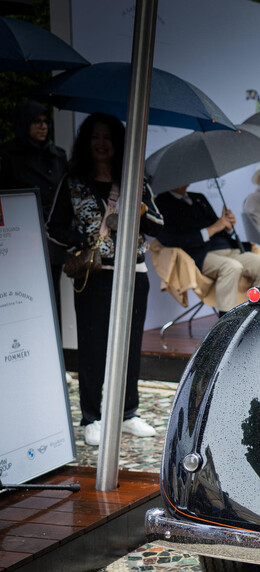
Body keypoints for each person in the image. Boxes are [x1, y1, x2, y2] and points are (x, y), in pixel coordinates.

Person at [46, 113, 163, 446]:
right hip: (94, 276)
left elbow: (157, 224)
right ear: (87, 141)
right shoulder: (73, 180)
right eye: (95, 137)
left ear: (118, 144)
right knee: (93, 347)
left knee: (129, 346)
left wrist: (134, 209)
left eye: (107, 138)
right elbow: (53, 227)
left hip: (133, 273)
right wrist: (84, 240)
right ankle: (91, 417)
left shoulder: (135, 180)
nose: (101, 144)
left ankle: (129, 413)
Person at [155, 186, 260, 315]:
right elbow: (169, 239)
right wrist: (214, 227)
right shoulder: (162, 202)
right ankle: (227, 322)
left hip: (228, 248)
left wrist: (227, 225)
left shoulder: (198, 197)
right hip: (201, 254)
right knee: (232, 267)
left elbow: (219, 227)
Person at [0, 101, 69, 310]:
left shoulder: (57, 155)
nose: (43, 127)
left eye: (45, 122)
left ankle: (54, 341)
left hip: (51, 236)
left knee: (51, 293)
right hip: (21, 237)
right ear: (24, 124)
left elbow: (63, 196)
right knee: (23, 294)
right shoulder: (8, 155)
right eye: (36, 122)